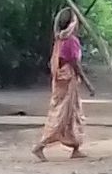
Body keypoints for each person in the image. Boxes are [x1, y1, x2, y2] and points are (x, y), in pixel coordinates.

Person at [34, 10, 87, 159]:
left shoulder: (60, 39)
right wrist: (87, 82)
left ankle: (75, 147)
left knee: (71, 113)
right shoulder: (71, 41)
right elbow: (74, 63)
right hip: (68, 78)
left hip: (62, 78)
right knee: (62, 114)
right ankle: (41, 145)